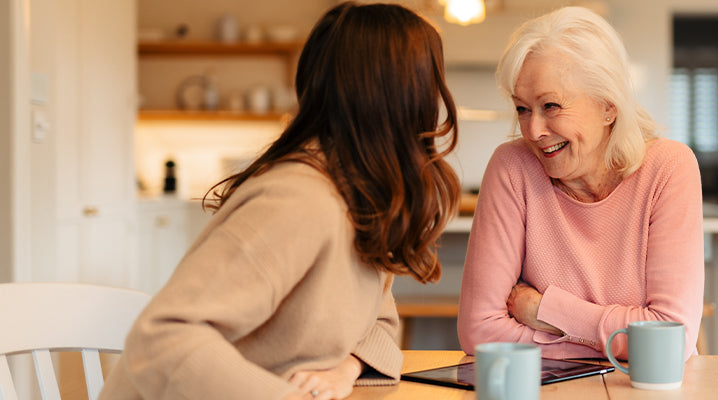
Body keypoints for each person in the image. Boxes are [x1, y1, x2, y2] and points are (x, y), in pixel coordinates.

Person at [99, 3, 460, 400]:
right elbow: (164, 340)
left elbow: (379, 321)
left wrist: (345, 368)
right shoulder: (299, 200)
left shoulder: (365, 197)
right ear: (405, 98)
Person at [457, 6, 704, 361]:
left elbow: (672, 338)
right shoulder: (511, 166)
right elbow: (479, 331)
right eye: (522, 109)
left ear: (608, 106)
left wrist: (548, 310)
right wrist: (617, 343)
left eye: (551, 106)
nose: (533, 131)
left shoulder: (668, 168)